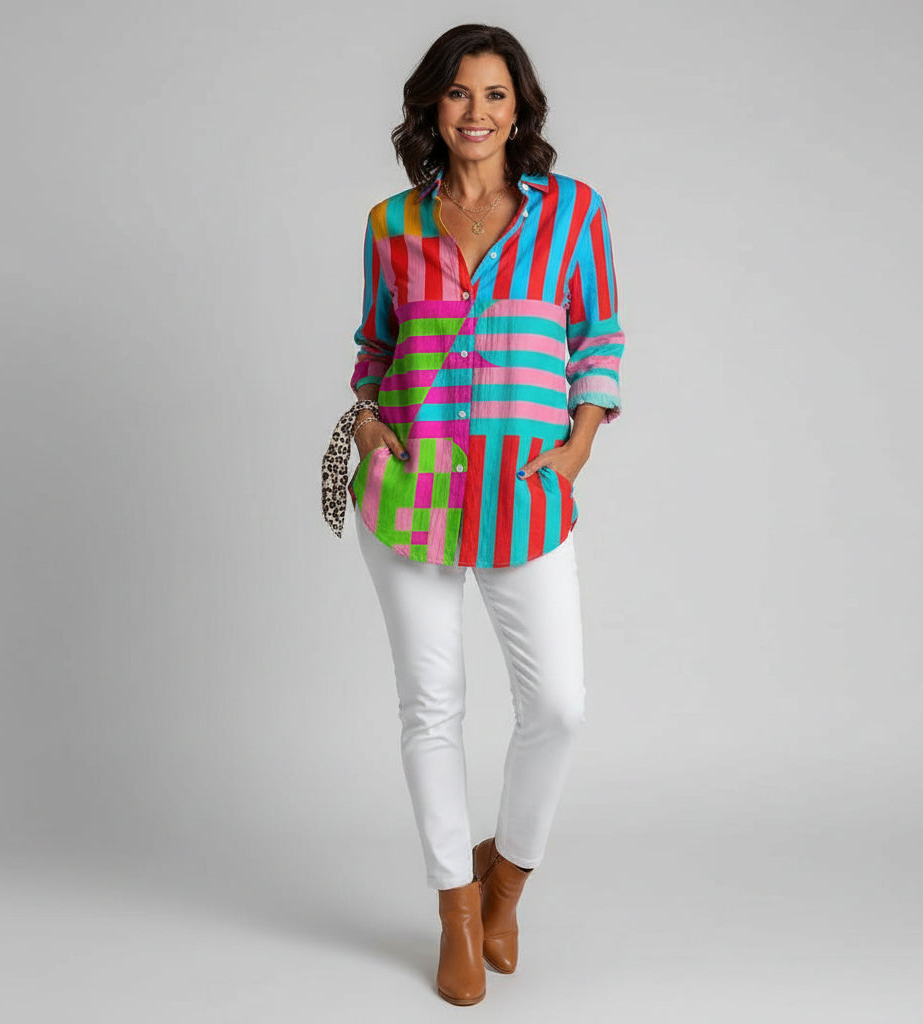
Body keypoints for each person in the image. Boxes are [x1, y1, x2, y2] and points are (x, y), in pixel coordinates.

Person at [321, 23, 625, 1006]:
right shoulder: (391, 223)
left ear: (520, 107)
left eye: (496, 94)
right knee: (432, 706)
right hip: (410, 489)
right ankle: (456, 905)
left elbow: (598, 339)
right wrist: (369, 421)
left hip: (520, 492)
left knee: (558, 707)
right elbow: (375, 348)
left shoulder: (572, 214)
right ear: (433, 105)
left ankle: (508, 882)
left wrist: (577, 448)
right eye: (459, 93)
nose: (477, 112)